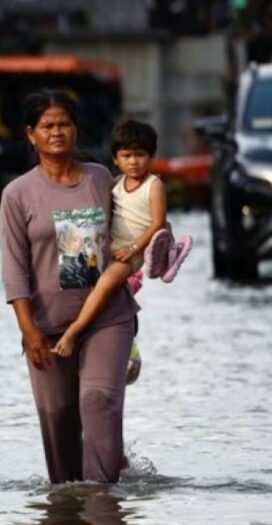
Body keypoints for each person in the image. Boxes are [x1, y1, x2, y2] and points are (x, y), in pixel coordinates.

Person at [0, 89, 138, 484]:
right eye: (47, 125)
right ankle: (65, 520)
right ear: (31, 135)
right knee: (58, 421)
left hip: (107, 318)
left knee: (99, 400)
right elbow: (14, 268)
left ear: (76, 130)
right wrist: (29, 331)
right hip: (47, 325)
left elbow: (132, 228)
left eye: (64, 124)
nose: (56, 132)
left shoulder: (99, 178)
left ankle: (101, 501)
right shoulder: (17, 194)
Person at [53, 120, 192, 357]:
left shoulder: (153, 185)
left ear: (151, 157)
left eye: (140, 155)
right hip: (112, 246)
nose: (134, 161)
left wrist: (133, 248)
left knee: (106, 282)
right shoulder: (117, 183)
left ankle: (73, 331)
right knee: (77, 274)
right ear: (116, 159)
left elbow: (158, 222)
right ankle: (85, 326)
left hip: (135, 251)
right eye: (127, 155)